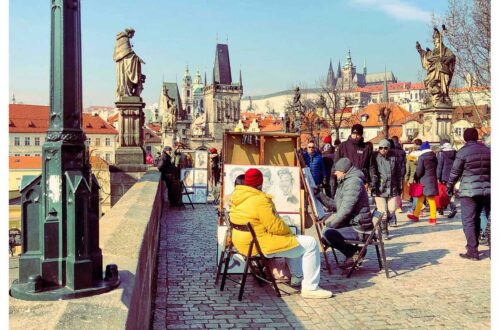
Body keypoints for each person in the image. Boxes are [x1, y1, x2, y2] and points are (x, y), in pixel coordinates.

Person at [229, 168, 332, 299]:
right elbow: (275, 226)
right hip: (258, 244)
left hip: (244, 242)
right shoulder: (259, 200)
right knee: (310, 243)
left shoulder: (237, 196)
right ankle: (311, 287)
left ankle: (297, 277)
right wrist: (289, 231)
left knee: (291, 240)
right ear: (260, 183)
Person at [316, 158, 373, 269]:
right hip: (355, 222)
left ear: (343, 170)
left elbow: (345, 211)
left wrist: (331, 224)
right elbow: (337, 205)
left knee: (328, 233)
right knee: (327, 235)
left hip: (360, 227)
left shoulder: (353, 182)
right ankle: (356, 251)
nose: (335, 173)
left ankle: (353, 254)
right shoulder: (346, 181)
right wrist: (320, 195)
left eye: (337, 170)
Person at [447, 128, 490, 260]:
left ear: (465, 138)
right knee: (481, 218)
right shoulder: (488, 151)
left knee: (468, 220)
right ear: (477, 137)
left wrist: (449, 186)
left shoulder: (463, 152)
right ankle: (480, 245)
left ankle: (472, 250)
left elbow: (455, 172)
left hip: (468, 191)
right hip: (487, 190)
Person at [370, 139, 403, 239]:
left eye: (385, 148)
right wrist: (373, 183)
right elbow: (371, 170)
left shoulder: (394, 158)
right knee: (383, 213)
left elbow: (398, 173)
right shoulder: (375, 157)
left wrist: (399, 186)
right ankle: (384, 231)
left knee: (392, 210)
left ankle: (376, 214)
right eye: (381, 148)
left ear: (388, 148)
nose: (383, 150)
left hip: (392, 188)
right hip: (379, 189)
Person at [407, 141, 438, 225]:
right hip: (432, 180)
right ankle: (416, 215)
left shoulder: (422, 157)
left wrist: (415, 177)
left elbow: (419, 170)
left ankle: (433, 218)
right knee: (423, 198)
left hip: (424, 180)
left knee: (427, 199)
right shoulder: (434, 157)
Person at [113, 28, 145, 99]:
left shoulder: (123, 39)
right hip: (124, 63)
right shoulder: (124, 39)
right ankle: (125, 92)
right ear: (129, 33)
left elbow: (128, 51)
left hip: (126, 62)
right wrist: (137, 58)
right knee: (125, 79)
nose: (133, 36)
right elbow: (126, 52)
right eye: (133, 34)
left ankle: (127, 92)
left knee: (126, 80)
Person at [436, 139, 457, 218]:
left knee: (441, 193)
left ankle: (440, 210)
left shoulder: (442, 153)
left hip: (443, 176)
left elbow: (439, 166)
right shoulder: (455, 153)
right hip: (453, 176)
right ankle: (453, 207)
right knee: (450, 193)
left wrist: (438, 176)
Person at [405, 139, 422, 213]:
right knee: (421, 193)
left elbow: (407, 169)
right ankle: (420, 209)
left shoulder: (410, 156)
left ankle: (414, 209)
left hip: (413, 176)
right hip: (422, 176)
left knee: (415, 194)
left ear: (415, 145)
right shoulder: (423, 155)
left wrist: (407, 178)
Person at [391, 136, 406, 214]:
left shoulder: (390, 150)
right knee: (399, 189)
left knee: (392, 188)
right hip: (399, 172)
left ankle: (394, 206)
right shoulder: (402, 152)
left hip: (392, 172)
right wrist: (403, 173)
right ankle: (399, 206)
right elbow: (404, 164)